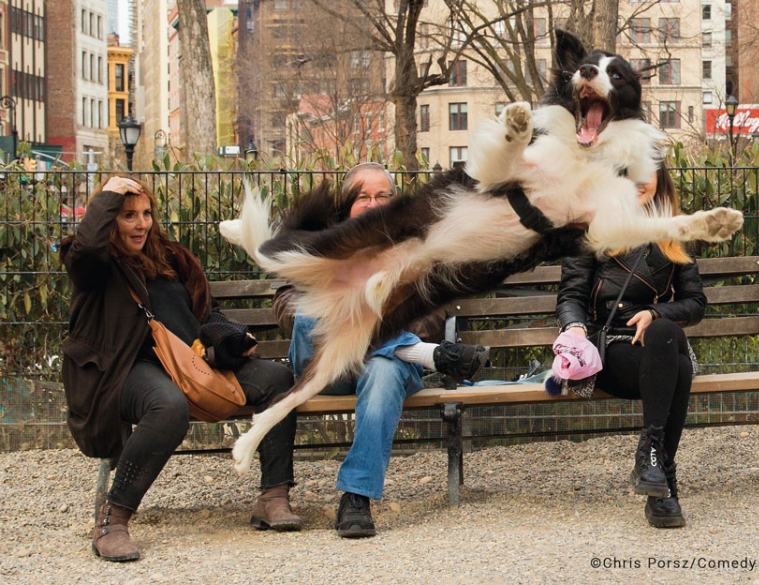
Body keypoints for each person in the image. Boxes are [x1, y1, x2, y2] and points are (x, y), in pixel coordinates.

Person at [60, 175, 301, 563]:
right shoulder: (94, 263)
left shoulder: (172, 259)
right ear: (108, 218)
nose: (141, 224)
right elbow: (87, 248)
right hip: (127, 369)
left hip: (192, 365)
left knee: (279, 380)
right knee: (168, 405)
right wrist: (108, 194)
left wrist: (222, 343)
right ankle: (113, 519)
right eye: (128, 216)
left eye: (146, 214)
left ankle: (273, 497)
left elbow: (209, 315)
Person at [275, 162, 489, 538]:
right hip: (324, 364)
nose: (373, 204)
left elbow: (433, 311)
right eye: (363, 197)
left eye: (382, 196)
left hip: (382, 368)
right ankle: (427, 355)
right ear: (347, 205)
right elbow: (287, 307)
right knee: (315, 310)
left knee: (385, 371)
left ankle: (356, 497)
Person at [555, 162, 706, 528]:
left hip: (658, 346)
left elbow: (696, 303)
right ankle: (664, 479)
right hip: (608, 351)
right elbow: (571, 295)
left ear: (659, 178)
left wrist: (654, 313)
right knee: (681, 368)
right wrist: (574, 327)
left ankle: (651, 462)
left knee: (666, 333)